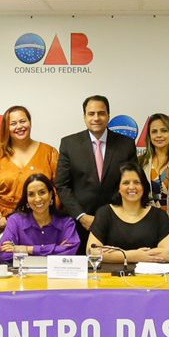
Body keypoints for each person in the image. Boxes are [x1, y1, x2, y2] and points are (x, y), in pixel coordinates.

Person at [55, 95, 136, 238]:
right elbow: (62, 185)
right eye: (91, 114)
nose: (96, 118)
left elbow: (132, 183)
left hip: (117, 221)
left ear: (108, 116)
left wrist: (118, 213)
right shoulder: (69, 144)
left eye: (101, 113)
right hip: (79, 224)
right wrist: (81, 216)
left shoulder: (126, 144)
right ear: (84, 117)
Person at [0, 104, 60, 248]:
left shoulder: (49, 152)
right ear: (6, 128)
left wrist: (44, 216)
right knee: (3, 260)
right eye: (13, 123)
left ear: (30, 122)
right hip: (3, 223)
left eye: (23, 121)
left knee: (38, 259)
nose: (19, 126)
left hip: (41, 223)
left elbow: (59, 190)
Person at [87, 162, 169, 265]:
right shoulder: (105, 213)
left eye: (137, 182)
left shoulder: (159, 216)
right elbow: (91, 251)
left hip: (149, 275)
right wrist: (133, 256)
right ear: (118, 188)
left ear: (144, 186)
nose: (132, 187)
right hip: (111, 274)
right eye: (126, 183)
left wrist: (114, 254)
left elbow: (168, 254)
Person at [0, 173, 79, 262]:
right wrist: (57, 250)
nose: (37, 199)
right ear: (27, 199)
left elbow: (70, 252)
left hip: (56, 271)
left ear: (51, 195)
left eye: (42, 192)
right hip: (25, 271)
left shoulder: (66, 222)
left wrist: (28, 249)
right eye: (31, 194)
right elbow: (5, 255)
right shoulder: (15, 221)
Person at [138, 113, 169, 217]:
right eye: (154, 131)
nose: (159, 135)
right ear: (149, 136)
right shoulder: (141, 162)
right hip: (146, 221)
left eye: (164, 130)